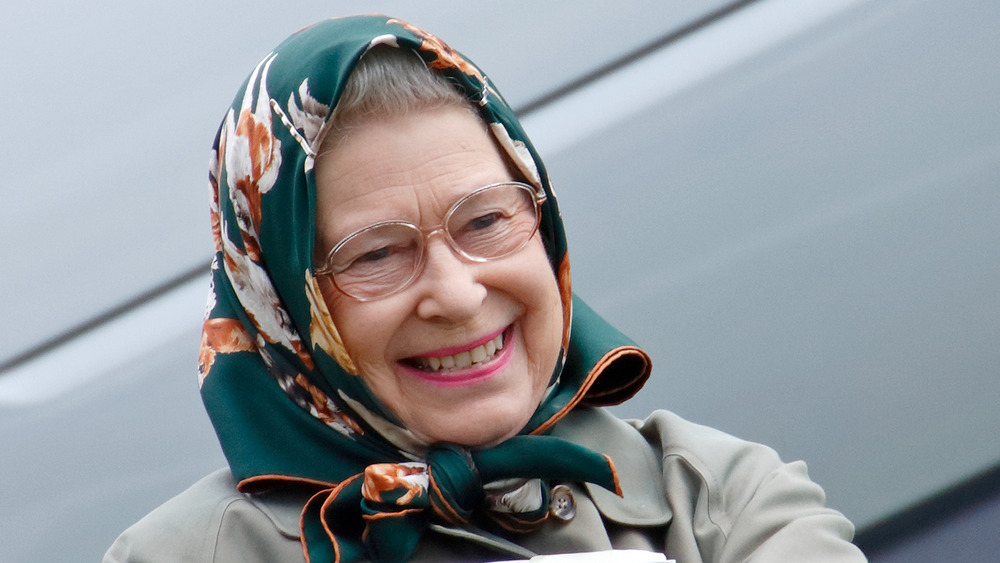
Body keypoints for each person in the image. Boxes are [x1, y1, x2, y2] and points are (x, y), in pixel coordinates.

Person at [104, 15, 867, 563]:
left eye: (486, 221)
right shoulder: (183, 554)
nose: (459, 294)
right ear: (283, 311)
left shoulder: (716, 495)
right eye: (376, 255)